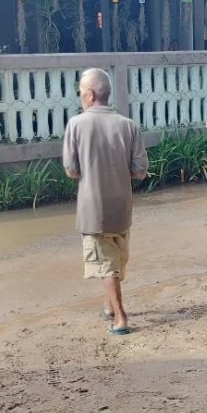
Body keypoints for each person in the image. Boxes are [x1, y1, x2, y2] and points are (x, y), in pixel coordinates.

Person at [62, 68, 148, 335]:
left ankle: (120, 318)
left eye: (80, 92)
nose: (80, 96)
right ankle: (110, 307)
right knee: (117, 260)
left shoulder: (76, 124)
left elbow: (71, 170)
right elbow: (140, 171)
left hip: (93, 209)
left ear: (90, 94)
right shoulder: (128, 125)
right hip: (122, 207)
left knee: (106, 264)